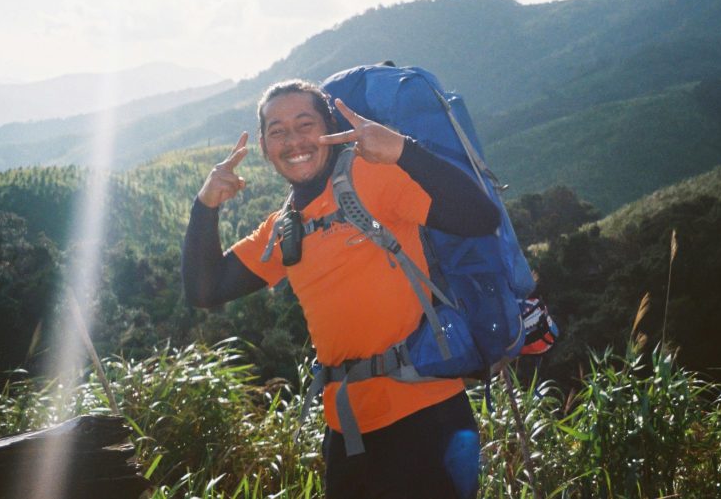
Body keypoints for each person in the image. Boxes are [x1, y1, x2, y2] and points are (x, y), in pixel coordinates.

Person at [182, 79, 501, 499]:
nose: (293, 140)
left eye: (305, 124)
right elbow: (206, 290)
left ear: (330, 127)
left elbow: (480, 217)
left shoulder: (373, 178)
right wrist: (205, 205)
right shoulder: (283, 229)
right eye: (277, 131)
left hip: (426, 417)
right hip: (348, 431)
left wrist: (404, 151)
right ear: (263, 145)